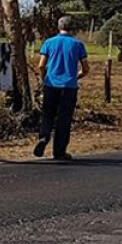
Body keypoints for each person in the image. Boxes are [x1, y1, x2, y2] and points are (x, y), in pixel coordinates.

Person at [35, 16, 89, 161]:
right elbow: (85, 69)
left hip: (51, 84)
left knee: (48, 115)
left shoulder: (49, 42)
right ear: (72, 28)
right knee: (64, 119)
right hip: (69, 87)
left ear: (59, 27)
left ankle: (44, 137)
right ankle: (59, 151)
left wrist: (44, 77)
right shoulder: (78, 45)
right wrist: (75, 76)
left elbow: (41, 65)